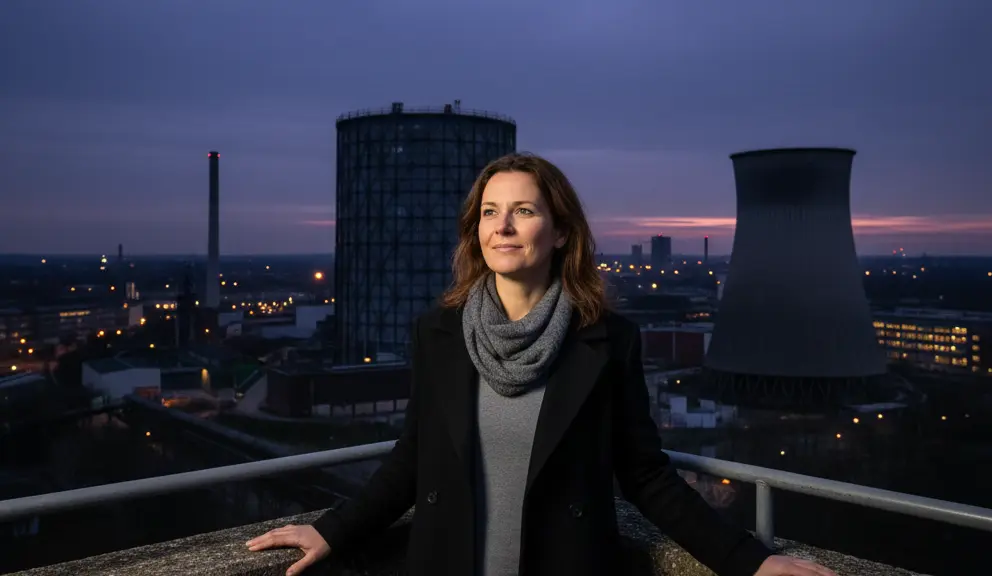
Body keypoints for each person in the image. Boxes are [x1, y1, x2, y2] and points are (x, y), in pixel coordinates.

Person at [246, 152, 836, 576]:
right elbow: (412, 460)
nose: (501, 227)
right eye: (489, 212)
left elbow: (646, 477)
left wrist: (750, 562)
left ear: (559, 233)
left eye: (523, 210)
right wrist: (331, 529)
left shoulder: (607, 341)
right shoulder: (439, 334)